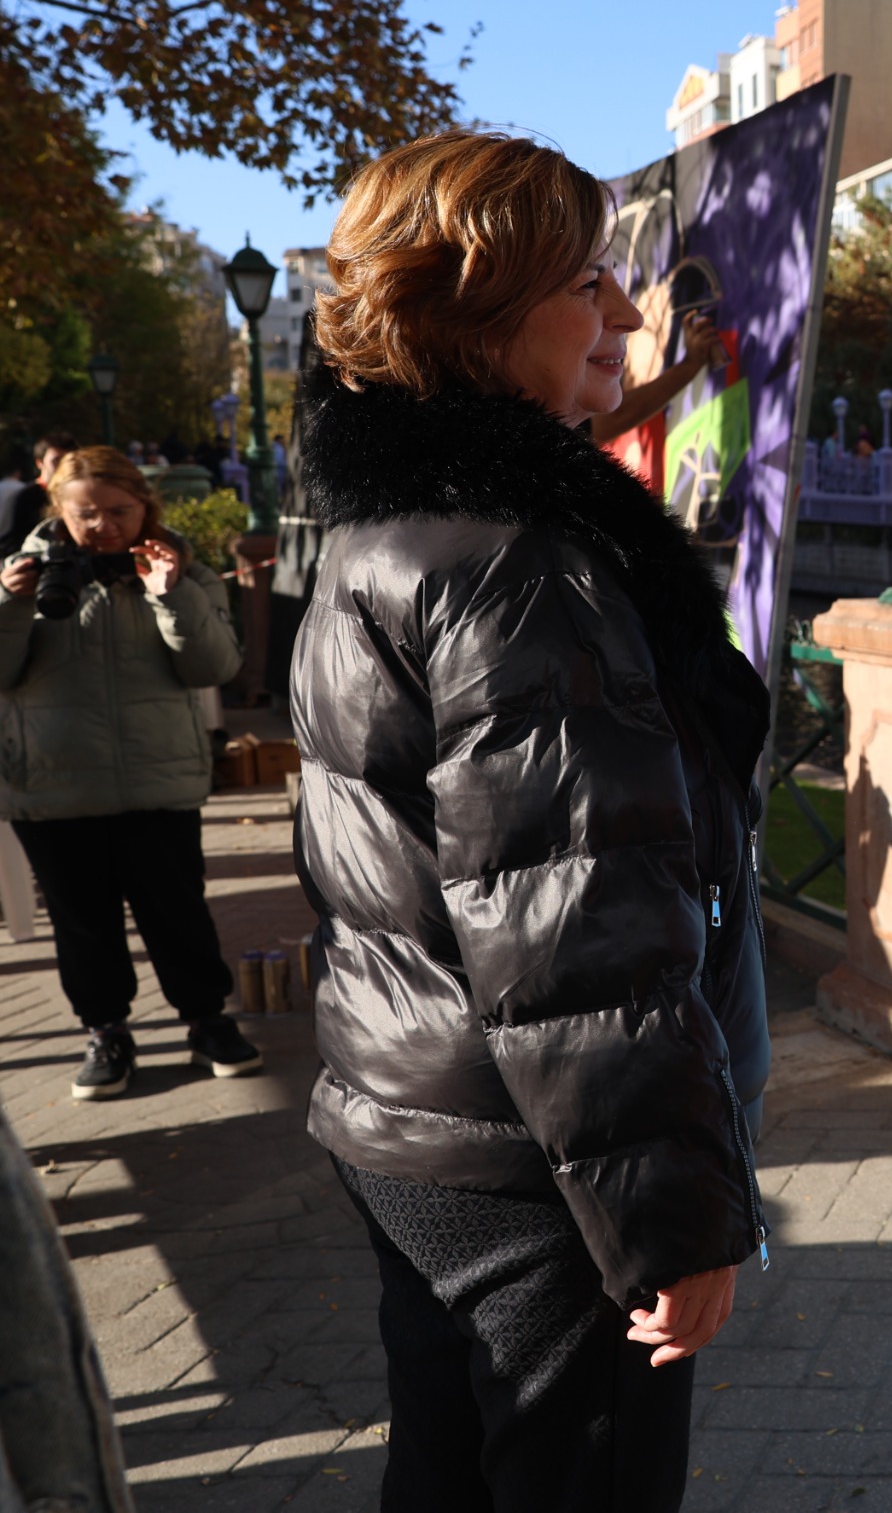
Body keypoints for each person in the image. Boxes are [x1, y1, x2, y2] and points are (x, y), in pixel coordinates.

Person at [292, 129, 771, 1512]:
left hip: (421, 1120)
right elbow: (579, 933)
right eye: (589, 277)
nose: (624, 310)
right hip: (538, 1163)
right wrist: (673, 1222)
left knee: (448, 1468)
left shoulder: (391, 531)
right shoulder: (514, 568)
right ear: (475, 308)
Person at [0, 447, 257, 1099]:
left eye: (119, 510)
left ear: (146, 506)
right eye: (86, 513)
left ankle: (207, 1020)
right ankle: (105, 1032)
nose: (104, 527)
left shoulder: (184, 572)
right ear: (59, 510)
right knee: (81, 921)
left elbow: (214, 668)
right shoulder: (18, 574)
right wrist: (9, 606)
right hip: (58, 784)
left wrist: (170, 597)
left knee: (177, 912)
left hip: (157, 777)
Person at [0, 434, 78, 556]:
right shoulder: (25, 496)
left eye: (68, 460)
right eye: (56, 460)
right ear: (39, 462)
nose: (63, 466)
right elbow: (12, 540)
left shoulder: (80, 495)